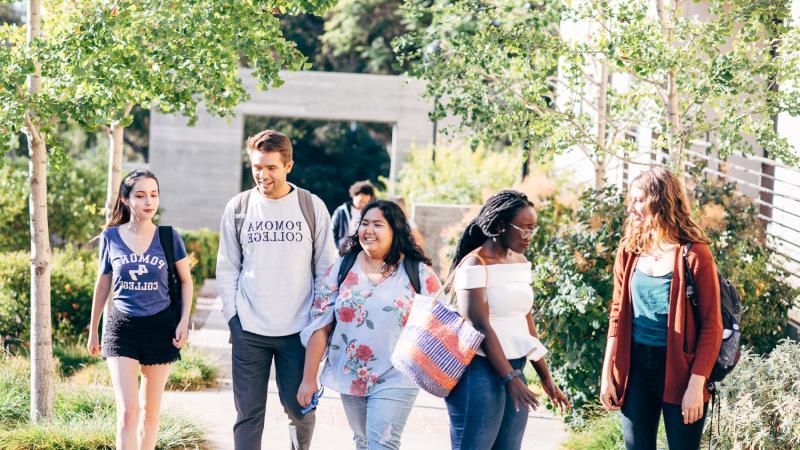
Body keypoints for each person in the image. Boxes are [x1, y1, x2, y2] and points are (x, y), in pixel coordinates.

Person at [216, 130, 338, 450]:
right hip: (249, 331)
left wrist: (317, 325)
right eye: (257, 166)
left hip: (298, 332)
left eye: (271, 167)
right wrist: (233, 320)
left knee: (299, 410)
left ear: (288, 166)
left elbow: (328, 270)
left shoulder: (311, 207)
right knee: (248, 415)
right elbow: (227, 266)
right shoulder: (239, 207)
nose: (262, 174)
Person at [298, 200, 442, 450]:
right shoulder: (342, 268)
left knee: (382, 443)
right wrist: (309, 379)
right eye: (364, 223)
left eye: (378, 224)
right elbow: (320, 325)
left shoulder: (418, 272)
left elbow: (441, 322)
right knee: (363, 441)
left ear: (395, 230)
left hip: (398, 375)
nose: (368, 230)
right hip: (351, 372)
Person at [599, 167, 723, 450]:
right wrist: (607, 374)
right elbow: (617, 314)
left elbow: (711, 326)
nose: (631, 208)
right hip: (635, 369)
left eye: (639, 200)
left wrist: (696, 384)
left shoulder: (695, 255)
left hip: (681, 369)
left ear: (660, 200)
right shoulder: (629, 250)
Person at [446, 190, 570, 450]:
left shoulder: (520, 262)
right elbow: (480, 326)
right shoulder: (473, 265)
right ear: (500, 226)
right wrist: (509, 379)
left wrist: (545, 377)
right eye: (525, 228)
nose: (529, 236)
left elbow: (525, 321)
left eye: (533, 228)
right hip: (478, 373)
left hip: (514, 368)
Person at [87, 169, 192, 450]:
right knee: (128, 411)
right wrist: (93, 330)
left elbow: (186, 282)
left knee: (150, 412)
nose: (149, 202)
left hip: (161, 328)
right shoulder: (111, 237)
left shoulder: (170, 237)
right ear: (125, 199)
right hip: (122, 328)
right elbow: (103, 284)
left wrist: (183, 321)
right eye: (141, 195)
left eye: (154, 195)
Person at [332, 180, 375, 251]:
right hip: (341, 251)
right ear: (354, 196)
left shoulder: (370, 213)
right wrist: (338, 248)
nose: (363, 204)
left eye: (366, 202)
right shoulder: (341, 211)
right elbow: (332, 231)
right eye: (360, 201)